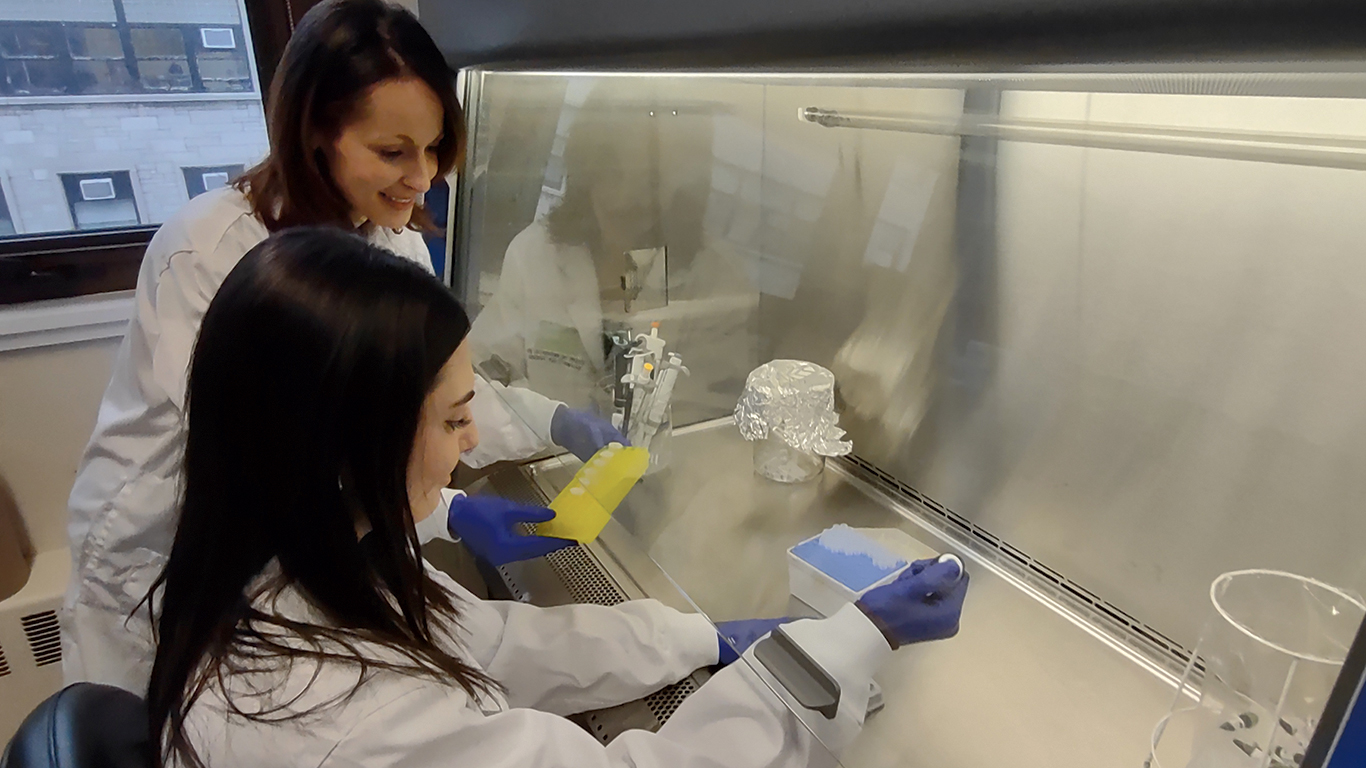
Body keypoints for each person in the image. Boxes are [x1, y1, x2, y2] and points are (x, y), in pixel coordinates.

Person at [148, 226, 971, 768]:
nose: (471, 445)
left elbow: (491, 646)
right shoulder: (352, 721)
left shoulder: (290, 565)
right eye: (455, 417)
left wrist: (695, 636)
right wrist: (846, 648)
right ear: (343, 451)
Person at [62, 0, 622, 696]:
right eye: (392, 152)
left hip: (291, 566)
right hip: (163, 561)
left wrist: (550, 418)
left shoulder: (394, 241)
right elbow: (271, 461)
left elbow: (418, 394)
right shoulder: (215, 252)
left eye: (435, 146)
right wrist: (448, 511)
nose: (423, 178)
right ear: (316, 133)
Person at [469, 85, 757, 425]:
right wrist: (549, 426)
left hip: (661, 473)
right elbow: (481, 374)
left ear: (683, 184)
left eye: (649, 181)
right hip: (542, 463)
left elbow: (711, 420)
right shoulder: (537, 252)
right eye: (612, 172)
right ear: (585, 170)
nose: (625, 199)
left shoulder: (715, 278)